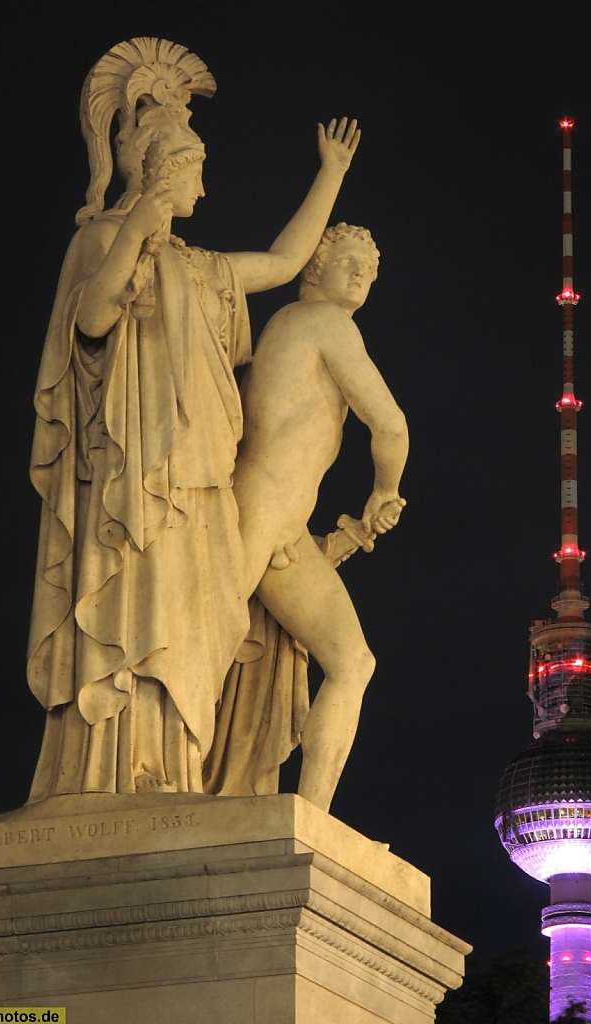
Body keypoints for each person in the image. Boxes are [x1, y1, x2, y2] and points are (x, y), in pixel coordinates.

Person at [26, 38, 360, 799]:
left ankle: (169, 775)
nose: (203, 195)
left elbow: (281, 263)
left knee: (190, 624)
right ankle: (112, 777)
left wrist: (331, 175)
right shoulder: (102, 241)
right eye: (196, 176)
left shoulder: (201, 269)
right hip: (129, 476)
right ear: (165, 170)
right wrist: (140, 220)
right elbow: (94, 318)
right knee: (132, 613)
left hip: (196, 479)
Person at [231, 223, 408, 811]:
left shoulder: (280, 330)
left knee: (354, 661)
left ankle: (306, 824)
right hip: (260, 506)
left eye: (372, 270)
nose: (364, 275)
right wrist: (385, 491)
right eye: (351, 260)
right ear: (314, 266)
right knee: (205, 644)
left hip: (281, 521)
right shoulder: (324, 323)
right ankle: (156, 781)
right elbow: (389, 424)